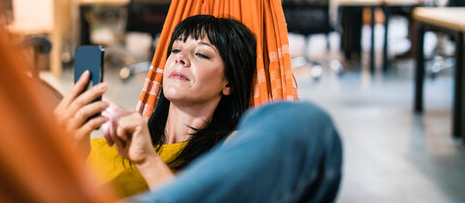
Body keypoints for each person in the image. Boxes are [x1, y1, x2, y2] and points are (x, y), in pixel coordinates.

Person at [55, 15, 343, 202]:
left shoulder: (234, 152)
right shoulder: (101, 147)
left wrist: (147, 161)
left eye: (202, 53)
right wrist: (56, 156)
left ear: (228, 83)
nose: (180, 59)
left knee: (309, 123)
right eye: (176, 50)